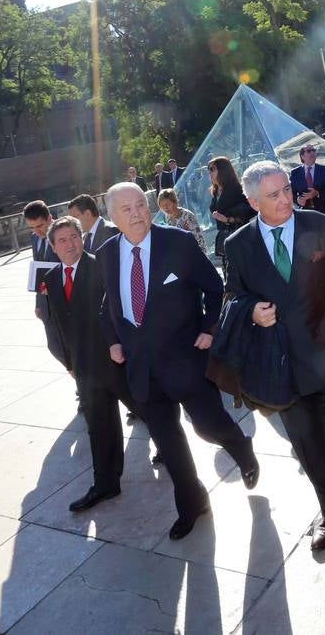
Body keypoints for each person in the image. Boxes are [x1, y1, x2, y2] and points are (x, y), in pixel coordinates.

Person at [222, 162, 325, 578]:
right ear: (253, 203)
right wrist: (251, 311)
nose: (285, 198)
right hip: (281, 367)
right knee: (307, 449)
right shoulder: (237, 244)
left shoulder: (319, 225)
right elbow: (232, 295)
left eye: (286, 189)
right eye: (273, 195)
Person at [98, 183, 259, 539]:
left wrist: (209, 327)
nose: (137, 212)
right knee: (168, 443)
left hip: (186, 360)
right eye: (126, 209)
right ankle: (192, 502)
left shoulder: (177, 242)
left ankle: (241, 448)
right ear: (112, 217)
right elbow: (109, 305)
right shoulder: (107, 253)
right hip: (141, 369)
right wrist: (112, 341)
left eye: (141, 204)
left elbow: (216, 287)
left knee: (208, 425)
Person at [42, 215, 128, 511]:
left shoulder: (101, 267)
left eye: (74, 237)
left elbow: (119, 312)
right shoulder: (52, 279)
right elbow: (59, 325)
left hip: (117, 361)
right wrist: (69, 362)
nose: (70, 245)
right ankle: (105, 483)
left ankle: (177, 463)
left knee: (155, 415)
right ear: (52, 247)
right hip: (85, 370)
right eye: (62, 240)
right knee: (99, 427)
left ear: (83, 238)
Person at [25, 200, 63, 367]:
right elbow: (38, 269)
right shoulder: (35, 239)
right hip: (46, 304)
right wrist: (38, 303)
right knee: (54, 347)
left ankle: (84, 386)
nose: (36, 231)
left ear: (49, 218)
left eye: (39, 226)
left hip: (65, 299)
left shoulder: (64, 233)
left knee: (72, 346)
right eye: (31, 227)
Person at [208, 156, 254, 265]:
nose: (209, 172)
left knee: (240, 270)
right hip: (225, 237)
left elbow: (251, 209)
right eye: (208, 169)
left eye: (212, 169)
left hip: (239, 235)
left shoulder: (236, 188)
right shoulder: (215, 191)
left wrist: (229, 219)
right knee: (228, 271)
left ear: (222, 169)